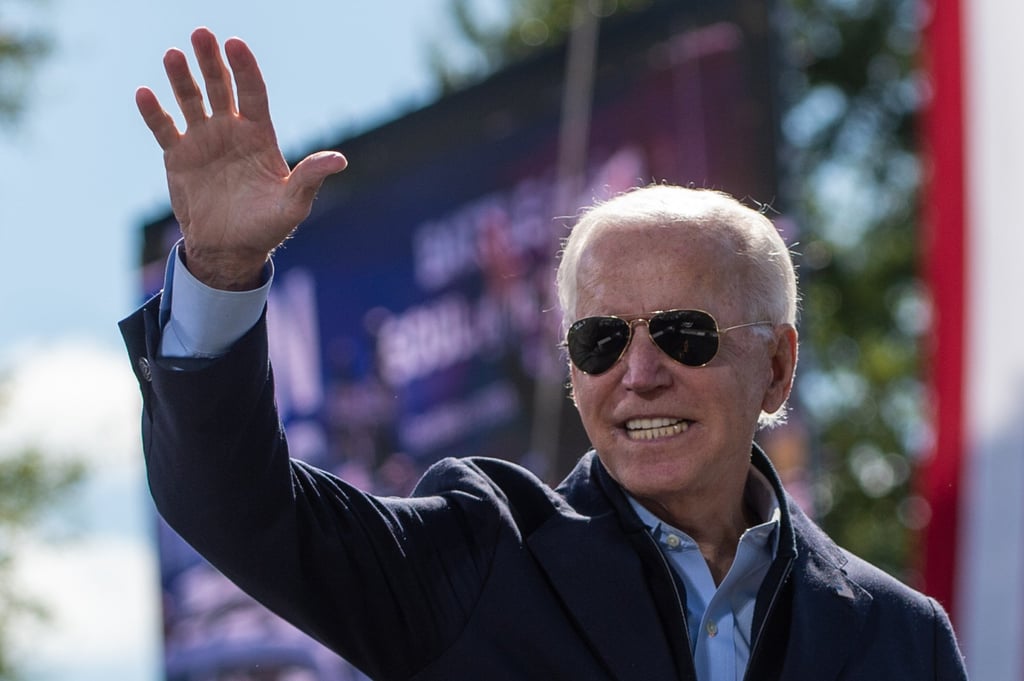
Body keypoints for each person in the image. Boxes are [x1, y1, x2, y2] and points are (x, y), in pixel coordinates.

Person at [121, 27, 968, 681]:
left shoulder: (899, 636)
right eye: (600, 341)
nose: (639, 374)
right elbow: (236, 509)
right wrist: (223, 273)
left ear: (777, 367)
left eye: (683, 333)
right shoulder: (478, 556)